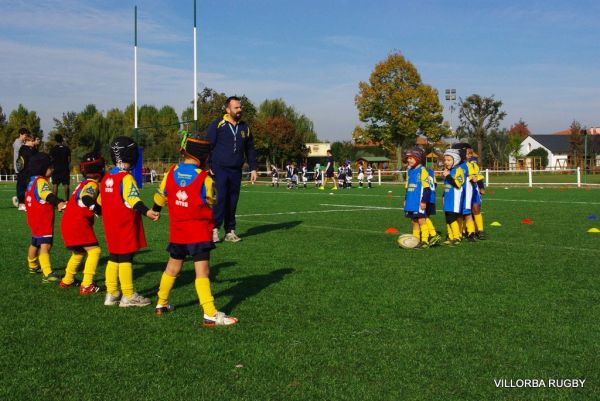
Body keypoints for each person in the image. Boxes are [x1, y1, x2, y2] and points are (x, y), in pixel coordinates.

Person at [152, 131, 238, 326]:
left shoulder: (171, 172)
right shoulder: (204, 178)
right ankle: (209, 313)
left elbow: (159, 196)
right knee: (202, 272)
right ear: (204, 157)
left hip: (177, 231)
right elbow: (212, 200)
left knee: (172, 268)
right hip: (198, 232)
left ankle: (161, 303)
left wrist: (156, 210)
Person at [98, 136, 159, 307]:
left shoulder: (107, 178)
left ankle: (111, 294)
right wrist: (147, 211)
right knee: (126, 258)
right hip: (124, 225)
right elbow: (132, 199)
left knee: (114, 258)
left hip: (110, 226)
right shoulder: (126, 178)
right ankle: (128, 295)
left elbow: (100, 202)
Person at [206, 96, 257, 243]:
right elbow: (208, 146)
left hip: (236, 170)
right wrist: (209, 166)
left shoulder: (245, 127)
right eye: (236, 107)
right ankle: (214, 230)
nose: (240, 110)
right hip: (219, 169)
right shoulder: (217, 124)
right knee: (220, 199)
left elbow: (250, 149)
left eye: (240, 107)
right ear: (228, 109)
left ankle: (230, 231)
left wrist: (253, 168)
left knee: (233, 201)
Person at [59, 152, 105, 295]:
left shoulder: (83, 183)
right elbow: (86, 197)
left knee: (78, 253)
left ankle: (67, 280)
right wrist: (96, 208)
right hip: (78, 223)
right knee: (94, 251)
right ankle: (87, 285)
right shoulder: (91, 184)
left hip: (68, 221)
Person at [24, 153, 66, 282]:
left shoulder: (31, 182)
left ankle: (32, 265)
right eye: (50, 167)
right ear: (42, 168)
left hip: (33, 219)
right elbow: (47, 195)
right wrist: (58, 202)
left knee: (35, 243)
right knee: (45, 245)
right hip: (43, 220)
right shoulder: (41, 182)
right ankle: (47, 273)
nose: (52, 169)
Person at [403, 148, 432, 249]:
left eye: (411, 158)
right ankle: (416, 240)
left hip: (419, 201)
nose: (409, 160)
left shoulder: (422, 170)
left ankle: (425, 240)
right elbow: (407, 188)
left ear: (418, 158)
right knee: (414, 221)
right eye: (408, 158)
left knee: (421, 220)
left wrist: (424, 201)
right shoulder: (410, 171)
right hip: (411, 201)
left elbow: (427, 188)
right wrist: (405, 199)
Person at [441, 149, 465, 246]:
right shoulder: (449, 171)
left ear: (455, 160)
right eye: (445, 160)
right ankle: (450, 237)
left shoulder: (459, 170)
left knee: (452, 217)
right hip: (448, 198)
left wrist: (448, 176)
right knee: (447, 218)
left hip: (455, 199)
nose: (446, 162)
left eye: (449, 160)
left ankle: (456, 237)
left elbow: (457, 184)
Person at [16, 132, 38, 211]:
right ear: (27, 141)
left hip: (29, 172)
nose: (33, 143)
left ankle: (27, 203)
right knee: (22, 187)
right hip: (24, 172)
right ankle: (21, 204)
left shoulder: (31, 149)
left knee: (29, 188)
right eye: (32, 141)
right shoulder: (24, 149)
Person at [50, 133, 71, 199]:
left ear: (55, 140)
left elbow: (50, 159)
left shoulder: (53, 149)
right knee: (66, 184)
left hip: (56, 168)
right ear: (62, 140)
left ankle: (55, 201)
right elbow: (69, 159)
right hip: (65, 168)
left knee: (55, 184)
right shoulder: (66, 148)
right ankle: (67, 200)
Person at [12, 128, 28, 208]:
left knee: (24, 185)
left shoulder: (21, 142)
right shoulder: (18, 143)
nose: (26, 136)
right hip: (19, 168)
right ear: (21, 134)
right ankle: (21, 203)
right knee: (21, 185)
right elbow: (23, 149)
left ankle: (21, 201)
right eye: (25, 135)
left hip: (23, 167)